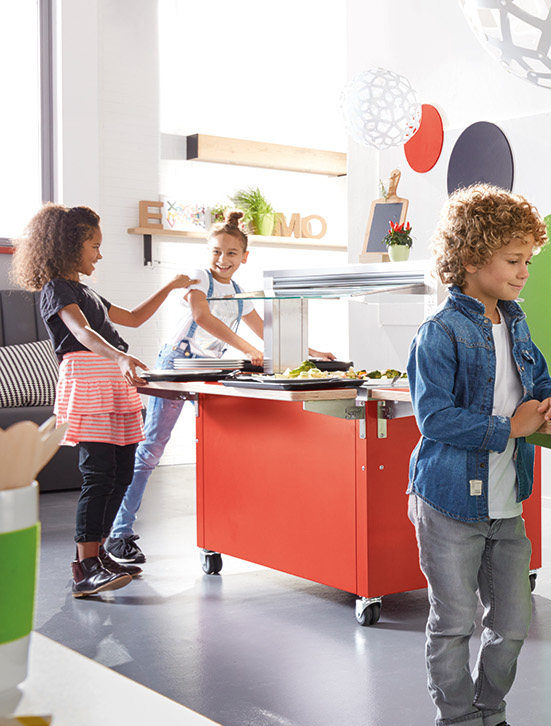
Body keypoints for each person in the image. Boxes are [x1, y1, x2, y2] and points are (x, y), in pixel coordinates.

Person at [406, 184, 551, 726]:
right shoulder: (440, 332)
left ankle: (490, 716)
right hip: (450, 499)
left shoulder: (517, 323)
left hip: (505, 499)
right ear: (471, 258)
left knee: (510, 622)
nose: (524, 272)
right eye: (513, 260)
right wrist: (510, 427)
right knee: (454, 621)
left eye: (528, 260)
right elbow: (434, 418)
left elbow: (540, 385)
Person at [104, 211, 334, 564]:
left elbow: (267, 332)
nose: (222, 259)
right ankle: (118, 533)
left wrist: (311, 351)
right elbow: (202, 317)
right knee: (151, 449)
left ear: (244, 257)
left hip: (209, 369)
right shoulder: (199, 277)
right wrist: (247, 350)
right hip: (176, 365)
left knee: (219, 445)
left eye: (231, 253)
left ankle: (221, 534)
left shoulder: (239, 292)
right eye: (216, 251)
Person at [10, 204, 195, 597]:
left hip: (113, 381)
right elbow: (81, 333)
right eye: (94, 245)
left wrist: (169, 286)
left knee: (122, 472)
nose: (99, 254)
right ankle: (85, 567)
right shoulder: (57, 289)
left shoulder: (86, 290)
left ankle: (99, 554)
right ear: (69, 245)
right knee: (98, 475)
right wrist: (120, 356)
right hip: (90, 383)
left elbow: (133, 318)